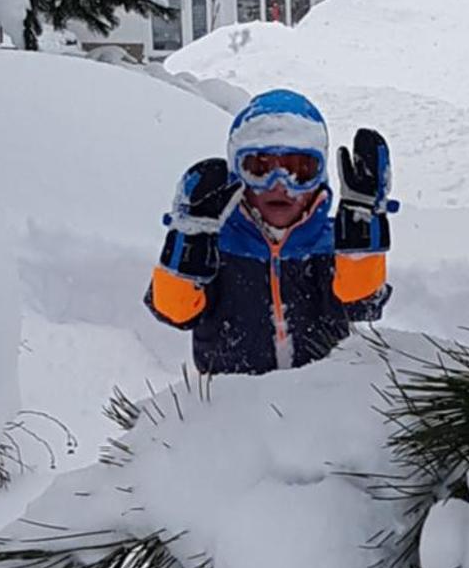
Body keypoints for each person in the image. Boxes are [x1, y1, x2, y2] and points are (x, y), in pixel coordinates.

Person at [147, 88, 393, 375]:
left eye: (300, 170)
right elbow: (174, 311)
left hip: (322, 401)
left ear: (320, 176)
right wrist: (188, 244)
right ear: (237, 175)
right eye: (260, 169)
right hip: (230, 405)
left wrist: (360, 244)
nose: (280, 184)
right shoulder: (217, 247)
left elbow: (362, 305)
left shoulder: (330, 246)